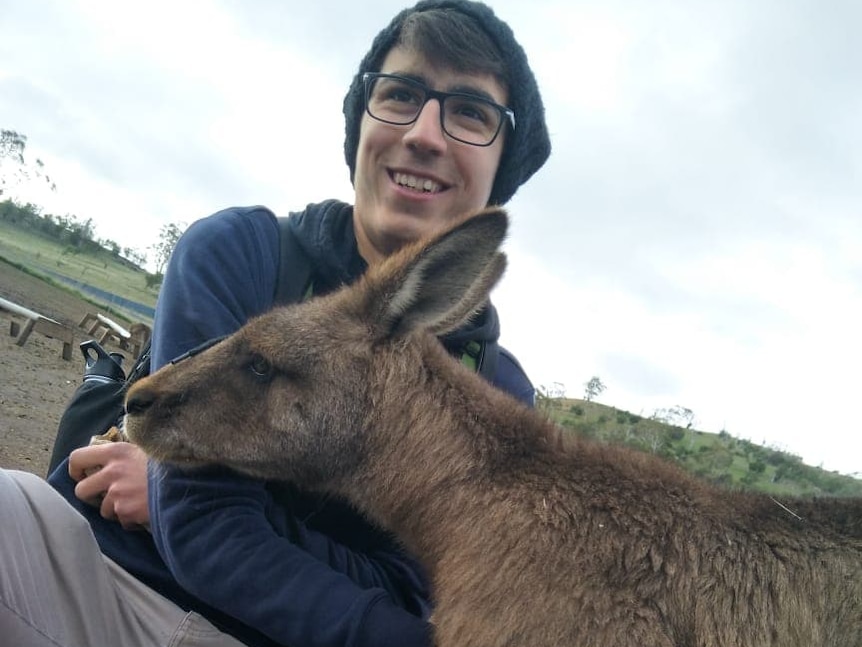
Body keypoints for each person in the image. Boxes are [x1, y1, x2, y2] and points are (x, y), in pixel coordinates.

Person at [0, 1, 551, 645]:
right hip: (113, 591)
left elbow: (413, 590)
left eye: (470, 112)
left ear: (501, 166)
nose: (426, 134)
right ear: (361, 126)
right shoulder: (248, 252)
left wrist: (198, 503)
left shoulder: (495, 393)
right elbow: (204, 521)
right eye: (400, 95)